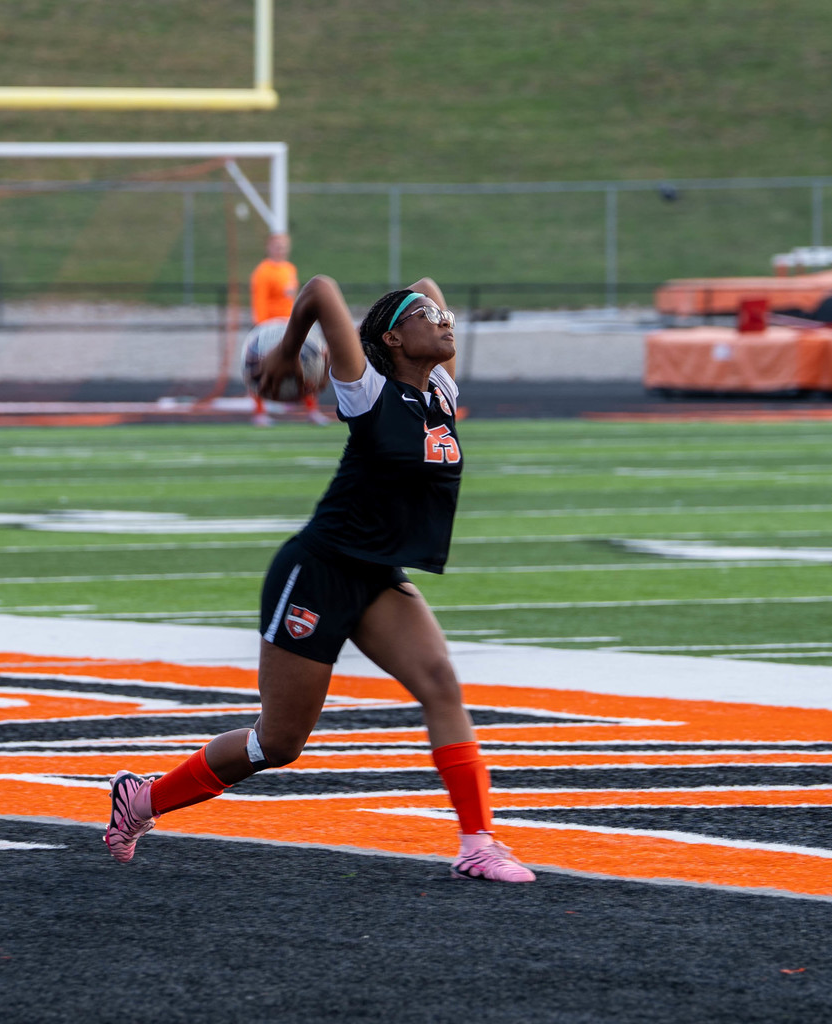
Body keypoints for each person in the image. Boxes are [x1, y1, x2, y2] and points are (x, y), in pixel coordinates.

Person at [105, 275, 536, 883]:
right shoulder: (365, 389)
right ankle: (143, 799)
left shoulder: (439, 387)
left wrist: (419, 307)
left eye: (445, 317)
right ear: (393, 338)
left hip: (375, 576)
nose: (446, 321)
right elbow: (321, 289)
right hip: (318, 572)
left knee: (441, 682)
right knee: (277, 744)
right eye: (428, 318)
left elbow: (424, 287)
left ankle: (477, 843)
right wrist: (288, 349)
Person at [249, 232, 329, 426]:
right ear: (269, 247)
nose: (280, 249)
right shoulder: (263, 271)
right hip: (270, 329)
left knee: (306, 365)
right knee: (260, 368)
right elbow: (259, 301)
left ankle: (311, 409)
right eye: (277, 245)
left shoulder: (289, 269)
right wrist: (262, 327)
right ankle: (259, 412)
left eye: (283, 245)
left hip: (289, 326)